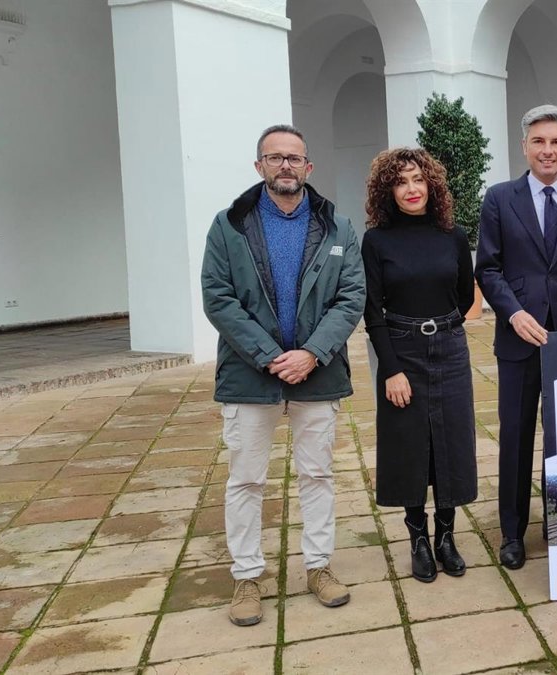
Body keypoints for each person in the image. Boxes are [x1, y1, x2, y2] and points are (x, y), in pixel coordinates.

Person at [202, 124, 366, 626]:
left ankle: (318, 567)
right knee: (247, 479)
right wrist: (271, 355)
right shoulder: (229, 225)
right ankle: (247, 576)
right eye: (275, 157)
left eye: (294, 158)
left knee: (317, 475)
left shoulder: (337, 226)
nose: (285, 166)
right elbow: (218, 297)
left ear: (308, 167)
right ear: (260, 166)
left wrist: (312, 353)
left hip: (317, 373)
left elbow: (352, 296)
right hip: (251, 375)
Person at [476, 104, 557, 569]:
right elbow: (488, 268)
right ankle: (513, 533)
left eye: (556, 142)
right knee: (515, 437)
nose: (547, 150)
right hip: (518, 339)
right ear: (525, 146)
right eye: (539, 141)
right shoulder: (499, 198)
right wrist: (513, 313)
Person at [361, 147, 476, 583]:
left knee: (451, 441)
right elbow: (372, 311)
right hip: (401, 348)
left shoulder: (453, 236)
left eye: (417, 179)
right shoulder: (377, 241)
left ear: (431, 184)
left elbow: (465, 296)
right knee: (409, 444)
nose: (411, 189)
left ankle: (446, 536)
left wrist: (441, 328)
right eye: (400, 181)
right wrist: (391, 369)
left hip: (450, 346)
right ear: (387, 191)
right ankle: (418, 540)